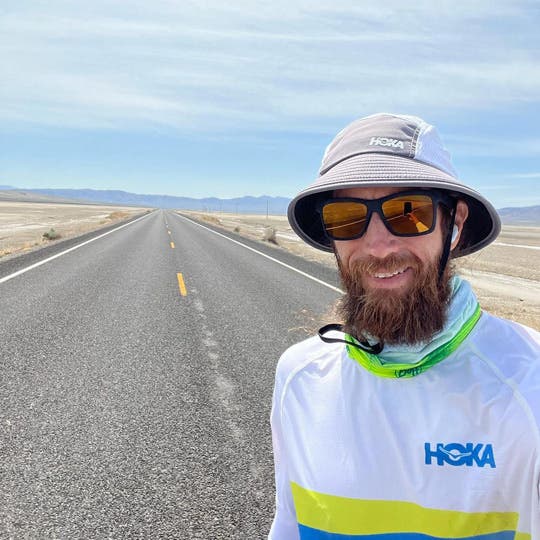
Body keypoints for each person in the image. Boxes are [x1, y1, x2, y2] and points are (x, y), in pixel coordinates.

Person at [269, 113, 540, 539]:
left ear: (455, 224)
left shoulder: (529, 380)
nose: (377, 246)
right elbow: (288, 523)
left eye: (408, 213)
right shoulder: (299, 375)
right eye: (345, 217)